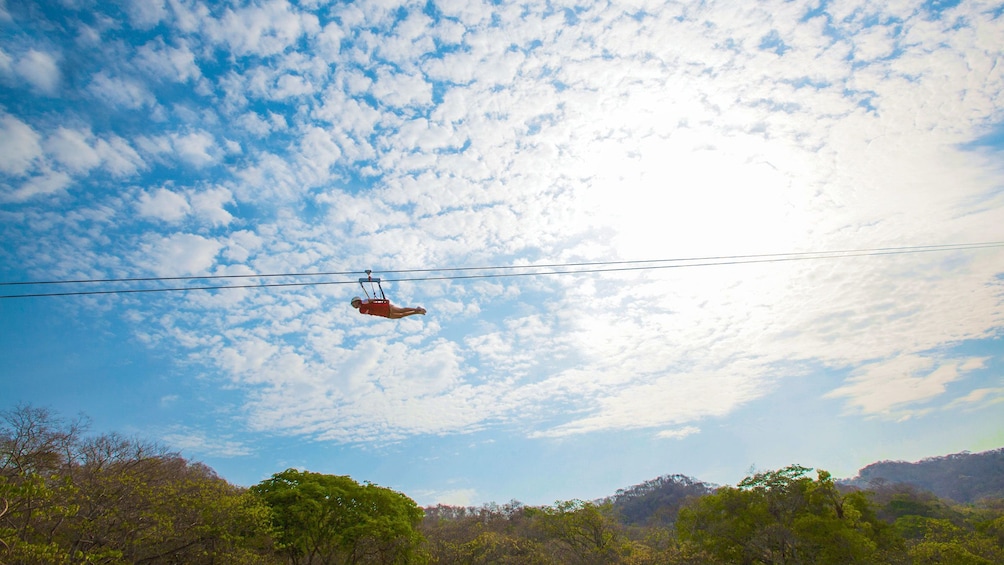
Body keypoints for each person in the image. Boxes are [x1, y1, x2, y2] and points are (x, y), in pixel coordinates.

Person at [351, 296, 426, 319]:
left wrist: (383, 300)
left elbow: (373, 300)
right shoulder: (361, 310)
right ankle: (417, 312)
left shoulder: (364, 302)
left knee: (401, 310)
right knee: (401, 315)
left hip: (385, 307)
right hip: (384, 313)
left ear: (357, 301)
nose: (353, 306)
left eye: (353, 304)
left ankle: (416, 309)